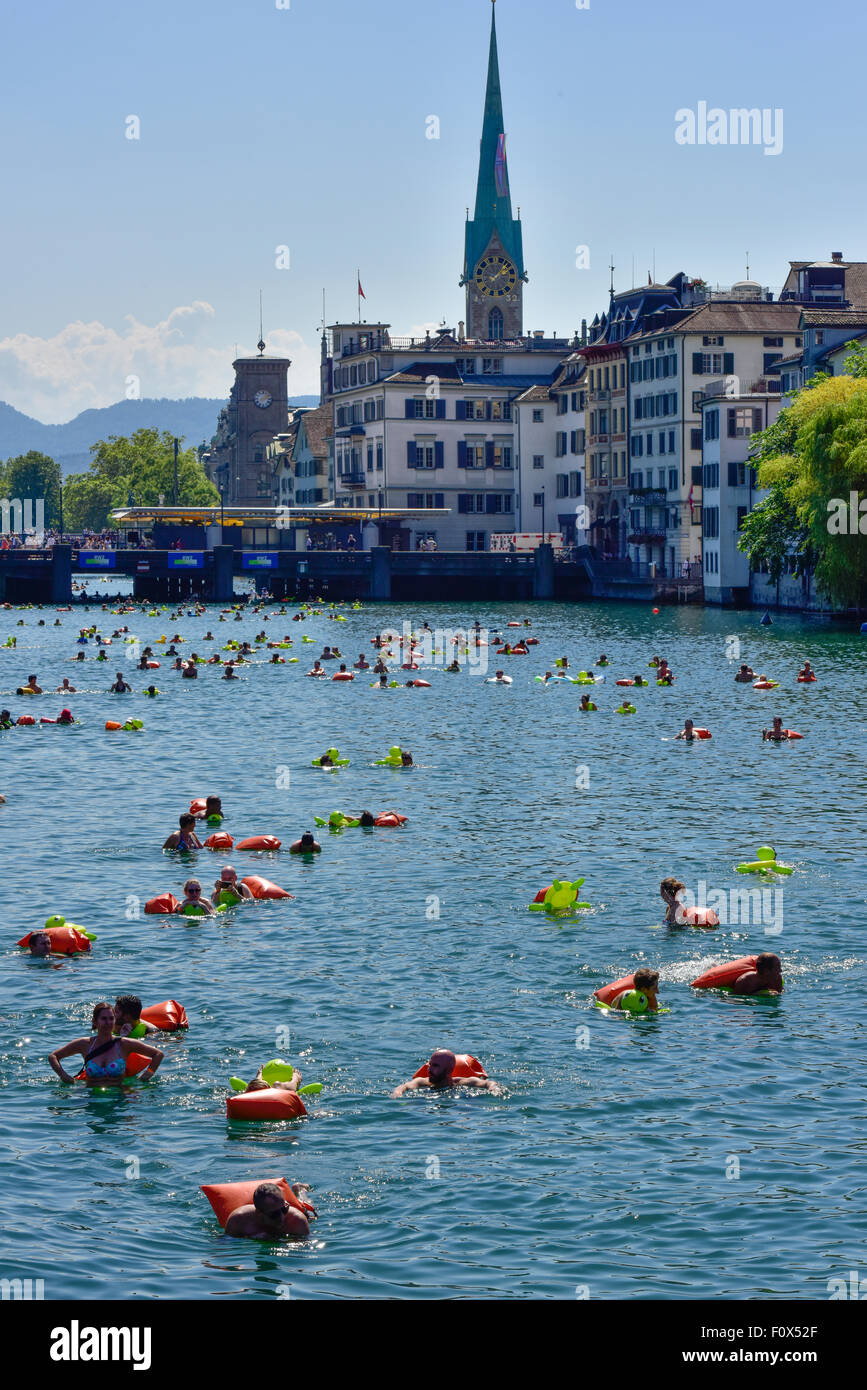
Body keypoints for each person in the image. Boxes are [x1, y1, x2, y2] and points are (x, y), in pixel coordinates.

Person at [48, 1002, 164, 1085]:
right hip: (91, 1097)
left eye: (111, 1018)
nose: (108, 1022)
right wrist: (63, 1075)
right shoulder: (84, 1044)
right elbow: (53, 1056)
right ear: (95, 1021)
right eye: (103, 1019)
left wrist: (148, 1074)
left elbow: (158, 1054)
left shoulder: (124, 1044)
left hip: (119, 1098)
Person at [224, 1181, 315, 1240]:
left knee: (305, 1207)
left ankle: (299, 1190)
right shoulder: (238, 1220)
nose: (282, 1217)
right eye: (274, 1214)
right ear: (259, 1213)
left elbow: (304, 1248)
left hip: (303, 1212)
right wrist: (250, 1239)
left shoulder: (297, 1220)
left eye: (284, 1210)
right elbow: (224, 1244)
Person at [391, 1049, 502, 1097]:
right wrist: (398, 1092)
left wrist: (494, 1088)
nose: (429, 1069)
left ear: (449, 1070)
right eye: (430, 1064)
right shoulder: (422, 1082)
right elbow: (405, 1086)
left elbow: (488, 1083)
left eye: (436, 1066)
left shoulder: (460, 1082)